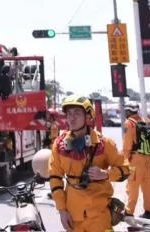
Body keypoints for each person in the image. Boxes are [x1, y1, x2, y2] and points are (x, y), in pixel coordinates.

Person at [48, 95, 129, 232]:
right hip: (73, 217)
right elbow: (55, 178)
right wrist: (62, 210)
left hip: (100, 216)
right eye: (69, 114)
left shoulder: (105, 144)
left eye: (77, 113)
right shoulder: (59, 144)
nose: (71, 118)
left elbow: (126, 169)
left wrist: (105, 174)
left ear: (88, 117)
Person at [122, 103, 150, 219]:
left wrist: (124, 159)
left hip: (135, 159)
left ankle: (129, 211)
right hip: (147, 159)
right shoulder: (143, 122)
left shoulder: (129, 124)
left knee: (133, 185)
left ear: (128, 112)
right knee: (147, 185)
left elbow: (127, 144)